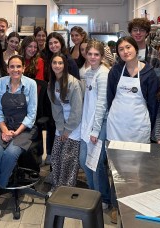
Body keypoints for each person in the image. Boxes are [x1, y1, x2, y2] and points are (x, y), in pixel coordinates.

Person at [0, 55, 37, 221]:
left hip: (24, 128)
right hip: (3, 126)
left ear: (23, 68)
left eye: (18, 66)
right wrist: (4, 130)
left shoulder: (31, 85)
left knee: (11, 153)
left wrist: (16, 132)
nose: (15, 70)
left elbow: (32, 114)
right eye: (12, 66)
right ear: (8, 68)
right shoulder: (1, 83)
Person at [78, 40, 113, 214]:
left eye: (96, 54)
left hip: (99, 125)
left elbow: (101, 104)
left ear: (101, 56)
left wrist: (95, 130)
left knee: (96, 164)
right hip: (87, 123)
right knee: (84, 161)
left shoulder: (103, 73)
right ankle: (94, 194)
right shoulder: (88, 72)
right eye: (90, 54)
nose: (92, 57)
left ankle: (103, 198)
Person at [107, 36, 160, 143]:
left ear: (136, 49)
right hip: (116, 125)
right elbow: (110, 97)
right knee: (115, 158)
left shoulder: (149, 73)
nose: (125, 51)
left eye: (128, 47)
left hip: (139, 126)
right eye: (121, 49)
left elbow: (153, 104)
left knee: (139, 159)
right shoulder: (115, 71)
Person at [47, 53, 83, 192]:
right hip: (61, 125)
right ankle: (56, 185)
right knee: (56, 156)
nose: (57, 66)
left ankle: (65, 189)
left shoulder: (73, 83)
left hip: (75, 125)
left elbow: (77, 110)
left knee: (67, 158)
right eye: (54, 63)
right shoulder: (52, 84)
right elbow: (56, 108)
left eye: (60, 63)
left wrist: (68, 130)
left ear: (65, 65)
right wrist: (61, 129)